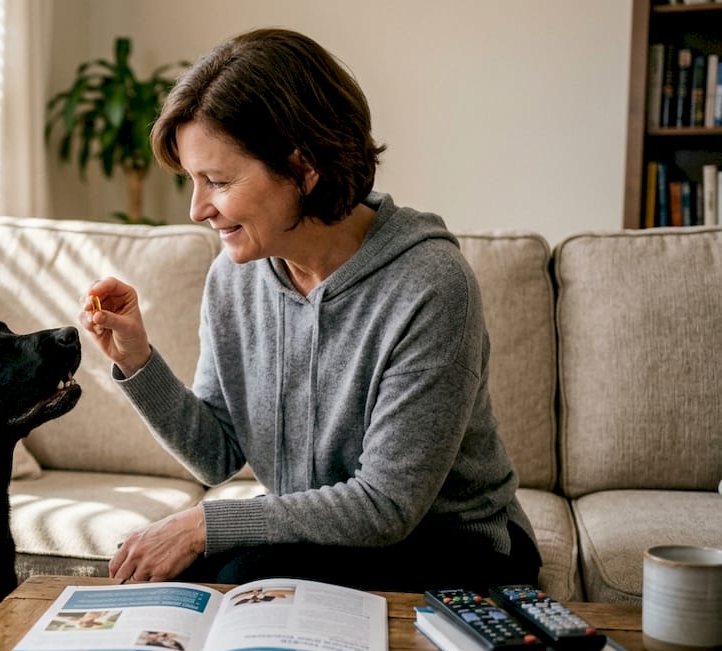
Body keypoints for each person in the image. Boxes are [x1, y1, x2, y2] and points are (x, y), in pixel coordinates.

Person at [78, 28, 541, 594]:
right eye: (193, 182)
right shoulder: (234, 276)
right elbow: (216, 455)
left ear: (302, 168)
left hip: (455, 545)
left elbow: (387, 505)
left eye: (217, 181)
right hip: (325, 538)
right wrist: (138, 360)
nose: (198, 208)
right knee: (163, 578)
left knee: (241, 573)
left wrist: (205, 524)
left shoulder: (430, 285)